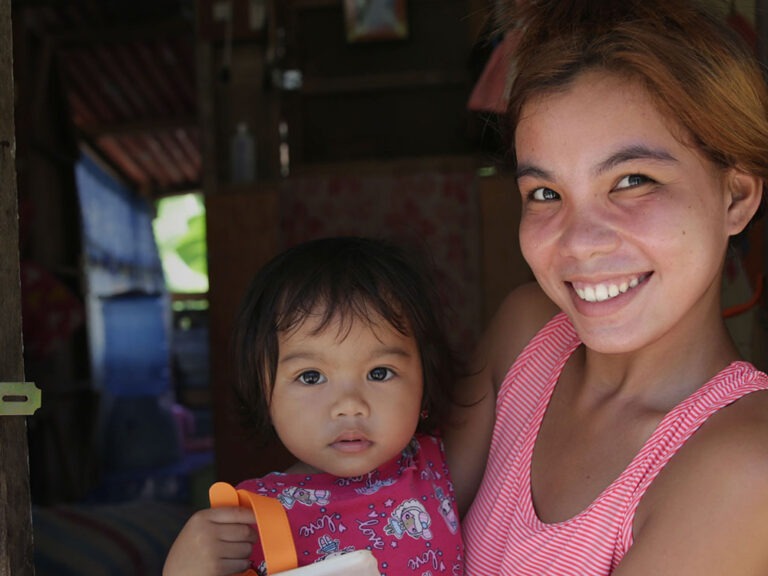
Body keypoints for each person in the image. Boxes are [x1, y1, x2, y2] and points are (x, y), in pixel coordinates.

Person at [443, 0, 768, 574]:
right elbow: (395, 517)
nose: (580, 243)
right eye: (545, 193)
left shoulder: (745, 467)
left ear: (735, 197)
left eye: (633, 181)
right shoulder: (526, 335)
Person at [163, 236, 464, 576]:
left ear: (425, 381)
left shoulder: (435, 462)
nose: (349, 405)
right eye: (311, 377)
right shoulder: (245, 523)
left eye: (379, 373)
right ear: (264, 393)